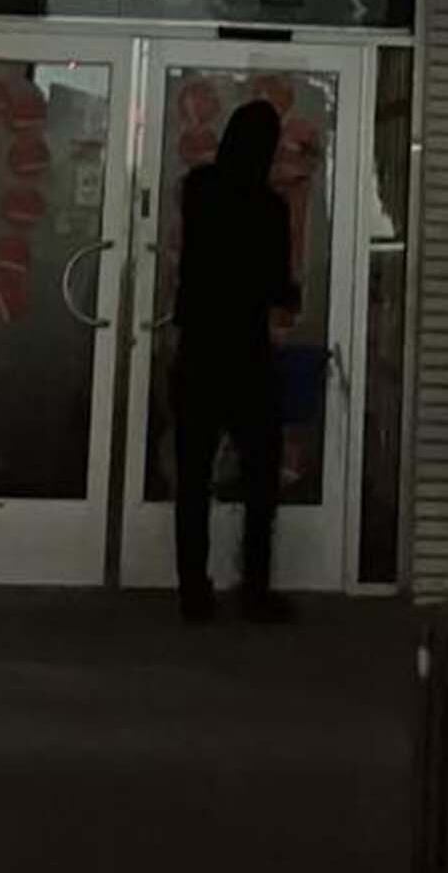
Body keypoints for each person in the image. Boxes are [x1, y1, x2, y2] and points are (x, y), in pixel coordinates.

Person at [171, 100, 299, 624]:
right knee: (259, 480)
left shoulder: (199, 188)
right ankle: (255, 590)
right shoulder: (270, 209)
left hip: (199, 350)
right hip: (247, 354)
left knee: (193, 477)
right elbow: (278, 287)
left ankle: (193, 591)